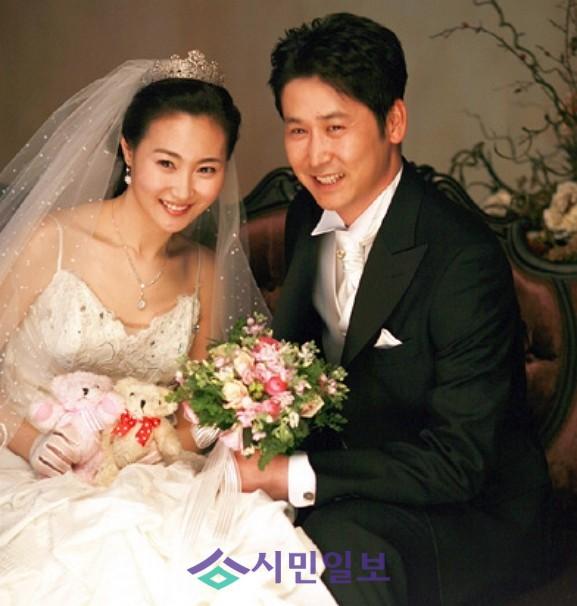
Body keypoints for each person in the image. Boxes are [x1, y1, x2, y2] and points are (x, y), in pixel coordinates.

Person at [234, 13, 553, 606]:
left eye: (336, 127)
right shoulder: (308, 214)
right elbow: (292, 359)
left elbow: (459, 462)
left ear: (394, 121)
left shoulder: (461, 258)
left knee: (331, 555)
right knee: (220, 528)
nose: (315, 155)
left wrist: (292, 475)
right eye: (298, 130)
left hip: (466, 514)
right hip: (349, 487)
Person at [0, 51, 337, 605]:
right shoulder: (50, 242)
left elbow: (191, 414)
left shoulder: (203, 270)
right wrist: (31, 441)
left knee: (232, 565)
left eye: (206, 169)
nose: (183, 190)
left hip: (147, 476)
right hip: (26, 466)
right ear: (129, 151)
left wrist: (197, 431)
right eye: (166, 163)